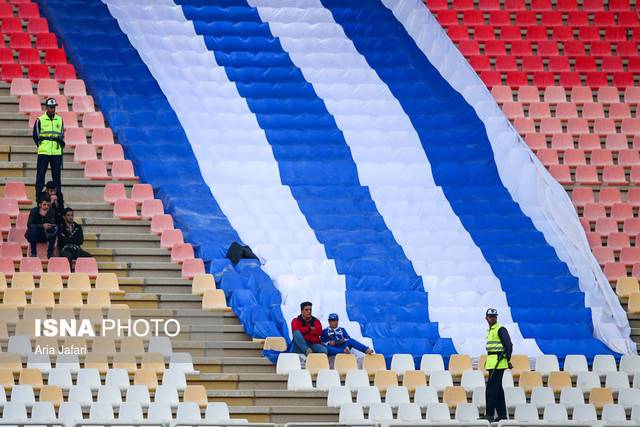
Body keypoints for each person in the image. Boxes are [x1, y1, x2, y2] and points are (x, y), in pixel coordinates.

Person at [484, 308, 513, 423]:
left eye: (494, 316)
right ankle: (502, 414)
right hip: (493, 363)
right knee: (498, 390)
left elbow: (509, 346)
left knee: (491, 390)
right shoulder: (491, 330)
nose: (492, 318)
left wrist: (507, 359)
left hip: (498, 363)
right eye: (490, 316)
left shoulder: (500, 329)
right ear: (486, 318)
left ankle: (489, 415)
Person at [33, 97, 64, 196]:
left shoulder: (60, 120)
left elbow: (61, 134)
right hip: (44, 152)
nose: (53, 109)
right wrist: (42, 146)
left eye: (54, 107)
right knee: (40, 176)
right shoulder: (40, 120)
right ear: (47, 107)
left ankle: (58, 200)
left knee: (57, 178)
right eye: (51, 107)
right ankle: (38, 199)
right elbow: (35, 136)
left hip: (56, 153)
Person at [25, 194, 58, 258]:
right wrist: (42, 226)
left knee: (54, 230)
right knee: (33, 229)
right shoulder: (34, 211)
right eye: (44, 205)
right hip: (33, 235)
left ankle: (50, 253)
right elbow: (29, 224)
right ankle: (33, 253)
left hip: (45, 234)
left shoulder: (51, 211)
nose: (46, 207)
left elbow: (53, 223)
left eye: (48, 205)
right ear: (40, 205)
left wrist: (48, 223)